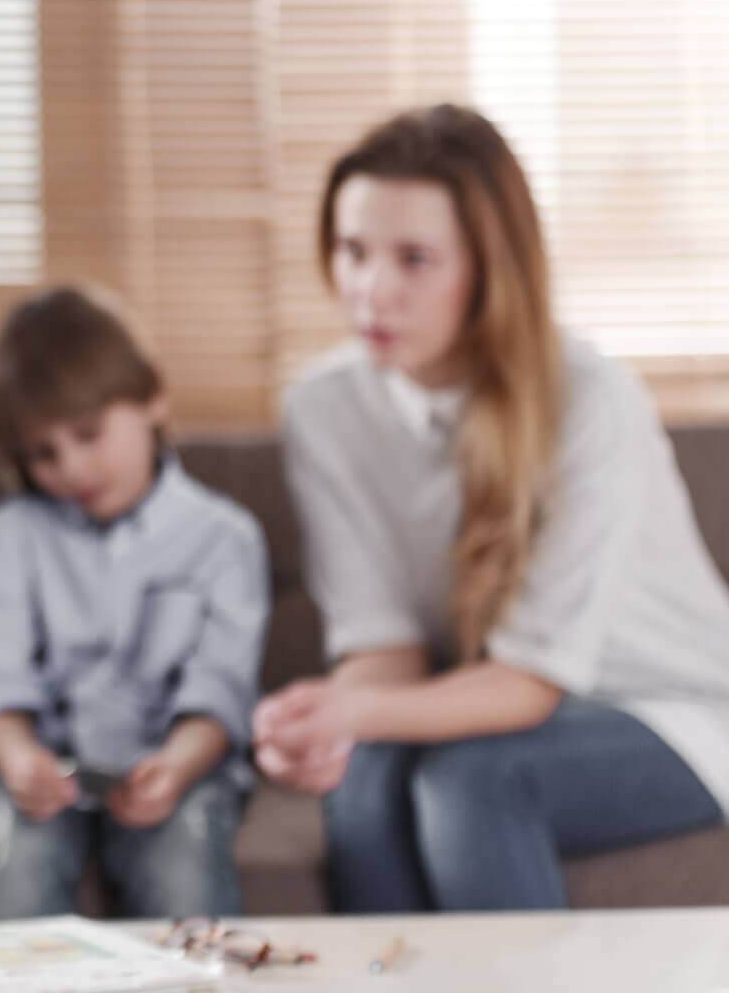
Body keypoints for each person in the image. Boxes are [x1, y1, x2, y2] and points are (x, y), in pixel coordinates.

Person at [254, 104, 729, 912]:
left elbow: (529, 685)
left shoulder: (590, 399)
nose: (372, 290)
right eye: (353, 250)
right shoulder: (325, 409)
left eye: (414, 259)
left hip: (669, 709)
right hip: (478, 700)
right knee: (365, 786)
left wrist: (354, 707)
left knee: (476, 782)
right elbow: (385, 644)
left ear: (488, 267)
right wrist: (327, 721)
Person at [0, 286, 269, 920]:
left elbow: (220, 690)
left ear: (153, 398)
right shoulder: (10, 535)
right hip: (39, 773)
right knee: (14, 850)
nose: (72, 468)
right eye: (44, 454)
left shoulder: (223, 538)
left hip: (174, 765)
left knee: (184, 858)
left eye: (89, 434)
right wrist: (17, 759)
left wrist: (176, 766)